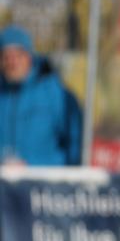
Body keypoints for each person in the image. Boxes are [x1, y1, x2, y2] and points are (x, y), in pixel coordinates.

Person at [0, 25, 83, 165]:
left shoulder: (56, 95)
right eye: (6, 56)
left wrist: (33, 166)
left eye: (19, 54)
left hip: (44, 184)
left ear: (30, 57)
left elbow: (75, 147)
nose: (12, 62)